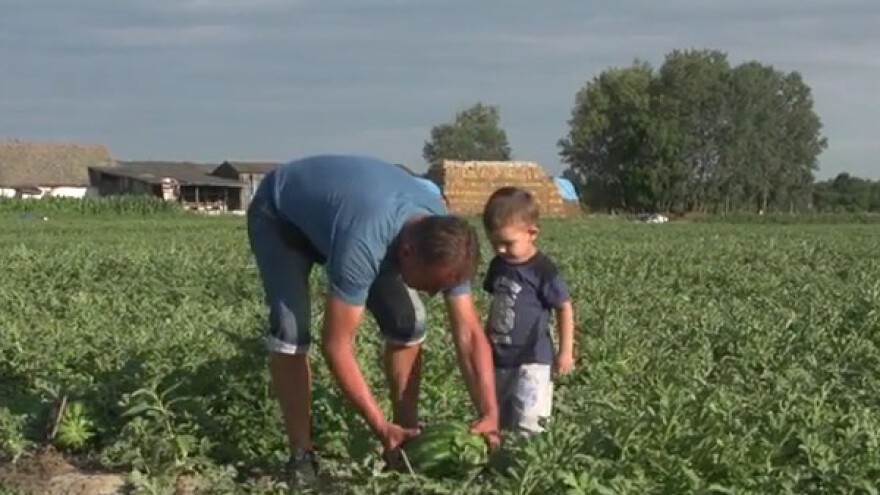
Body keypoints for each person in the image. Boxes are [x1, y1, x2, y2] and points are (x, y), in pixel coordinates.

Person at [245, 154, 500, 485]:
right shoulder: (365, 241)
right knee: (292, 331)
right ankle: (301, 454)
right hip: (280, 218)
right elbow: (336, 345)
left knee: (409, 323)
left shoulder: (451, 242)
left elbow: (468, 335)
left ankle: (406, 433)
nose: (435, 293)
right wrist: (378, 425)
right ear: (406, 252)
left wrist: (490, 412)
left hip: (350, 215)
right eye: (431, 284)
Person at [480, 186, 575, 436]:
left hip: (533, 359)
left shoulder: (542, 270)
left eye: (508, 243)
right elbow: (498, 304)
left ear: (531, 233)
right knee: (498, 417)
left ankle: (527, 468)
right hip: (499, 357)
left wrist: (565, 352)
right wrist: (484, 337)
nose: (500, 249)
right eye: (494, 243)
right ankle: (498, 465)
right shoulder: (498, 265)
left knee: (529, 420)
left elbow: (564, 307)